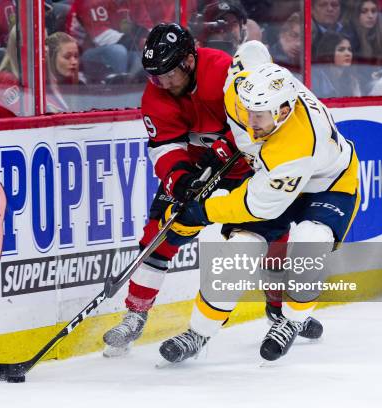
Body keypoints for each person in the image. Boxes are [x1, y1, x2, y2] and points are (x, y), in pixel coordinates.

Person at [157, 62, 359, 364]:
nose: (250, 119)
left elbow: (255, 204)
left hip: (328, 185)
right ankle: (198, 333)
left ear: (283, 112)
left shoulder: (298, 146)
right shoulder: (239, 93)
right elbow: (252, 57)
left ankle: (292, 321)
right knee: (239, 250)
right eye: (247, 110)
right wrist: (222, 148)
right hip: (271, 177)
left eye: (259, 115)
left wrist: (202, 212)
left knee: (310, 242)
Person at [101, 24, 269, 357]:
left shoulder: (223, 72)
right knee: (158, 235)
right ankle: (135, 315)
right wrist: (179, 179)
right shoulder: (156, 94)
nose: (160, 83)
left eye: (166, 75)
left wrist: (222, 150)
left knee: (267, 237)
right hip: (195, 170)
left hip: (246, 169)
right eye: (153, 76)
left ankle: (280, 311)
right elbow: (164, 147)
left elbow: (256, 121)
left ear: (188, 62)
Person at [345, 0, 382, 87]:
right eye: (364, 11)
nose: (370, 16)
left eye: (374, 11)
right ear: (356, 14)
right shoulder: (349, 38)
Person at [312, 32, 361, 97]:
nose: (348, 54)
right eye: (341, 50)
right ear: (328, 53)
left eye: (349, 49)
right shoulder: (316, 78)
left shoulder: (352, 80)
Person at [0, 26, 25, 118]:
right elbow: (10, 126)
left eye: (46, 42)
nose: (46, 49)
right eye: (40, 43)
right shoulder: (6, 80)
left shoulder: (36, 76)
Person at [44, 31, 83, 113]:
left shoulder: (82, 87)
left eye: (76, 56)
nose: (74, 62)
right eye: (67, 57)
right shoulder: (39, 94)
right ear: (50, 57)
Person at [269, 12, 303, 80]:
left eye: (303, 38)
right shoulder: (270, 60)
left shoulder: (305, 61)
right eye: (294, 35)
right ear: (282, 34)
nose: (298, 44)